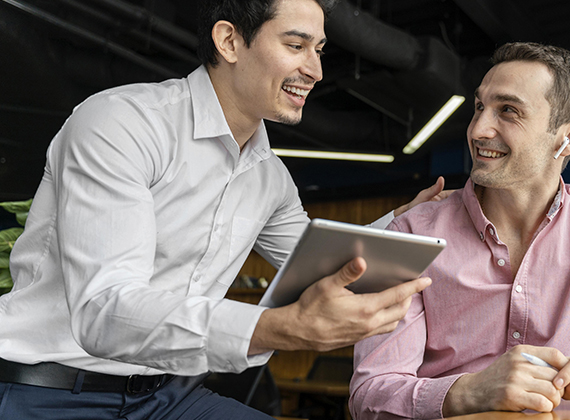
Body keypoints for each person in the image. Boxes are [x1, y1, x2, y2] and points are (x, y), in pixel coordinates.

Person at [0, 0, 445, 418]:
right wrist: (276, 327)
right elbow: (104, 309)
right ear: (229, 41)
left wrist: (403, 218)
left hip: (167, 398)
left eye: (319, 50)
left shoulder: (269, 177)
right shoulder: (122, 123)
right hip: (46, 392)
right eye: (296, 46)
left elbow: (325, 259)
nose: (315, 70)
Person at [349, 42, 570, 419]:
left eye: (508, 110)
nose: (477, 129)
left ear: (568, 138)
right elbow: (370, 394)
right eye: (479, 107)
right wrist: (468, 392)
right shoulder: (410, 232)